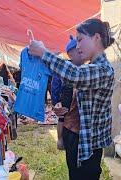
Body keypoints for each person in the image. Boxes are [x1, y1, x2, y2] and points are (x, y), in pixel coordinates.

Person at [29, 18, 115, 180]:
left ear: (96, 38)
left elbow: (75, 75)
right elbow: (76, 88)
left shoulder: (104, 70)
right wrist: (63, 106)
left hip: (87, 144)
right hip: (75, 136)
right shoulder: (90, 67)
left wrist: (43, 53)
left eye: (80, 40)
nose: (78, 46)